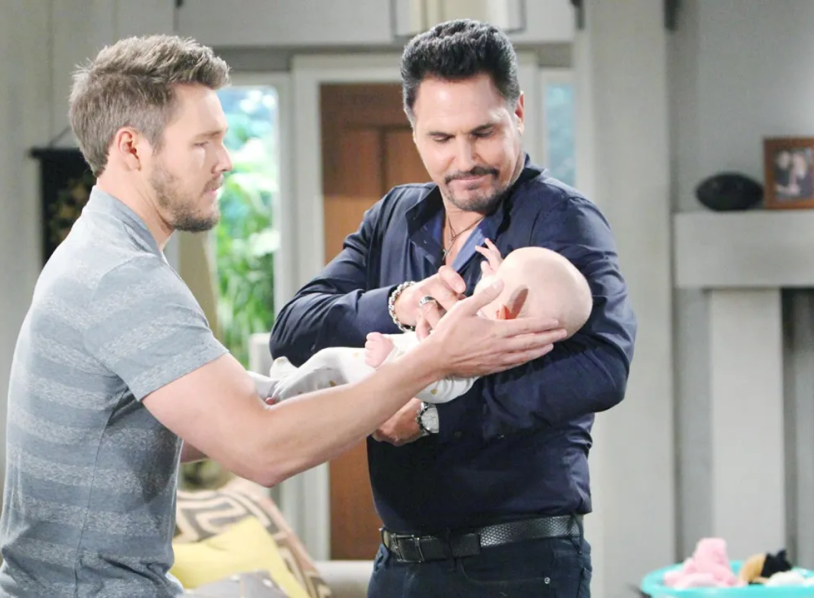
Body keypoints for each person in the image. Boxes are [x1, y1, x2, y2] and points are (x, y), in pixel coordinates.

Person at [0, 34, 568, 598]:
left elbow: (211, 415)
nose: (225, 161)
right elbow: (261, 451)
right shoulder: (125, 276)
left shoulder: (103, 253)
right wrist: (432, 362)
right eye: (204, 143)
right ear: (132, 148)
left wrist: (340, 374)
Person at [269, 19, 637, 598]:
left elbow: (603, 367)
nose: (465, 159)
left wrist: (436, 417)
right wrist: (399, 301)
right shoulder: (392, 217)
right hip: (398, 562)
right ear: (414, 132)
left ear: (518, 112)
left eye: (483, 132)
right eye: (441, 138)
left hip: (518, 563)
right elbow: (292, 330)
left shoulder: (562, 220)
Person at [259, 242, 593, 405]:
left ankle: (278, 400)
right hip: (376, 365)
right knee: (321, 367)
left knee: (329, 364)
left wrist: (390, 359)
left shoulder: (477, 355)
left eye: (497, 274)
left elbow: (439, 388)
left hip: (379, 371)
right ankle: (280, 387)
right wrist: (497, 270)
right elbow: (291, 326)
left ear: (505, 312)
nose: (486, 273)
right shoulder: (480, 318)